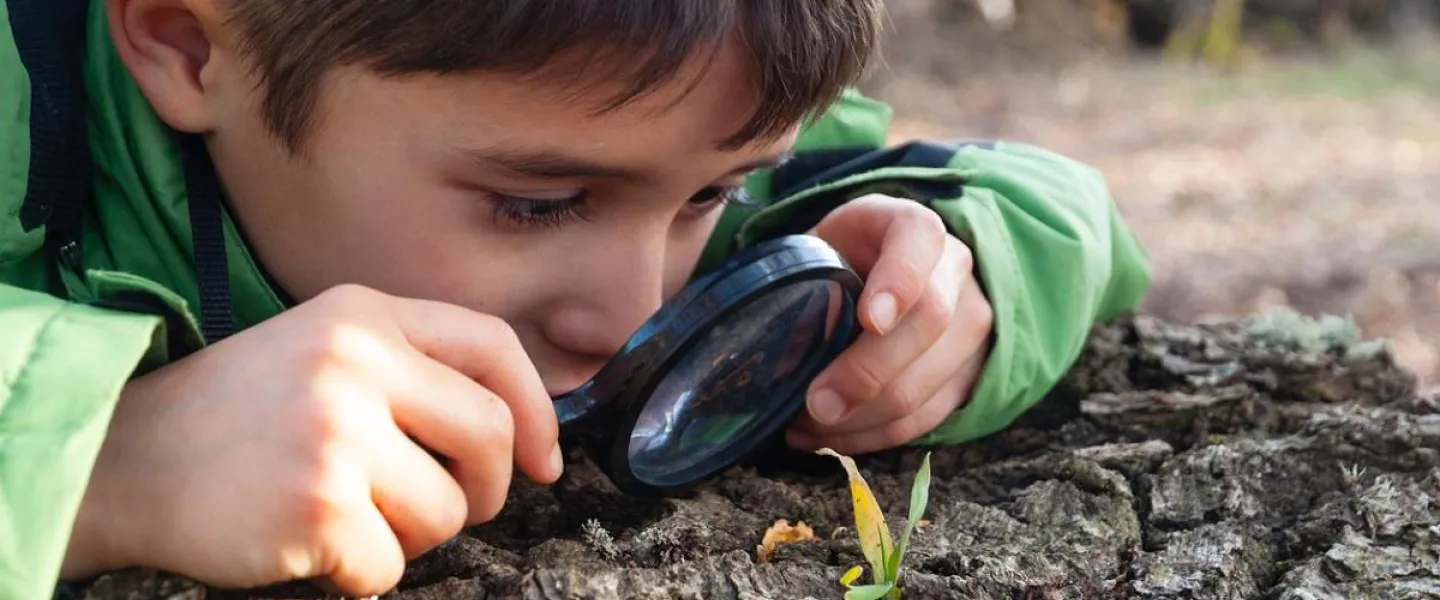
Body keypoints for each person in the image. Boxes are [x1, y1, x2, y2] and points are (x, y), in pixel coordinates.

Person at [0, 0, 1153, 598]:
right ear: (190, 48)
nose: (628, 309)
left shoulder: (683, 85)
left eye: (713, 193)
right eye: (540, 202)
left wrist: (965, 266)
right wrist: (100, 462)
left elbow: (1043, 195)